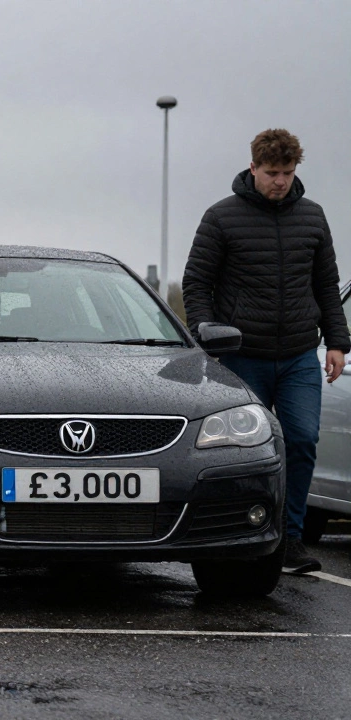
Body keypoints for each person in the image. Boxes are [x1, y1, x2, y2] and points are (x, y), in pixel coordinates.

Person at [182, 128, 349, 574]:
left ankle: (289, 540)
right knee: (242, 449)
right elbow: (197, 283)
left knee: (302, 440)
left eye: (287, 173)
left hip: (298, 354)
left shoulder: (313, 217)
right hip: (240, 357)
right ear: (253, 167)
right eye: (272, 172)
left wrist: (337, 341)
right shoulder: (221, 217)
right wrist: (207, 336)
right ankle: (238, 531)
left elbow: (326, 285)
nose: (280, 181)